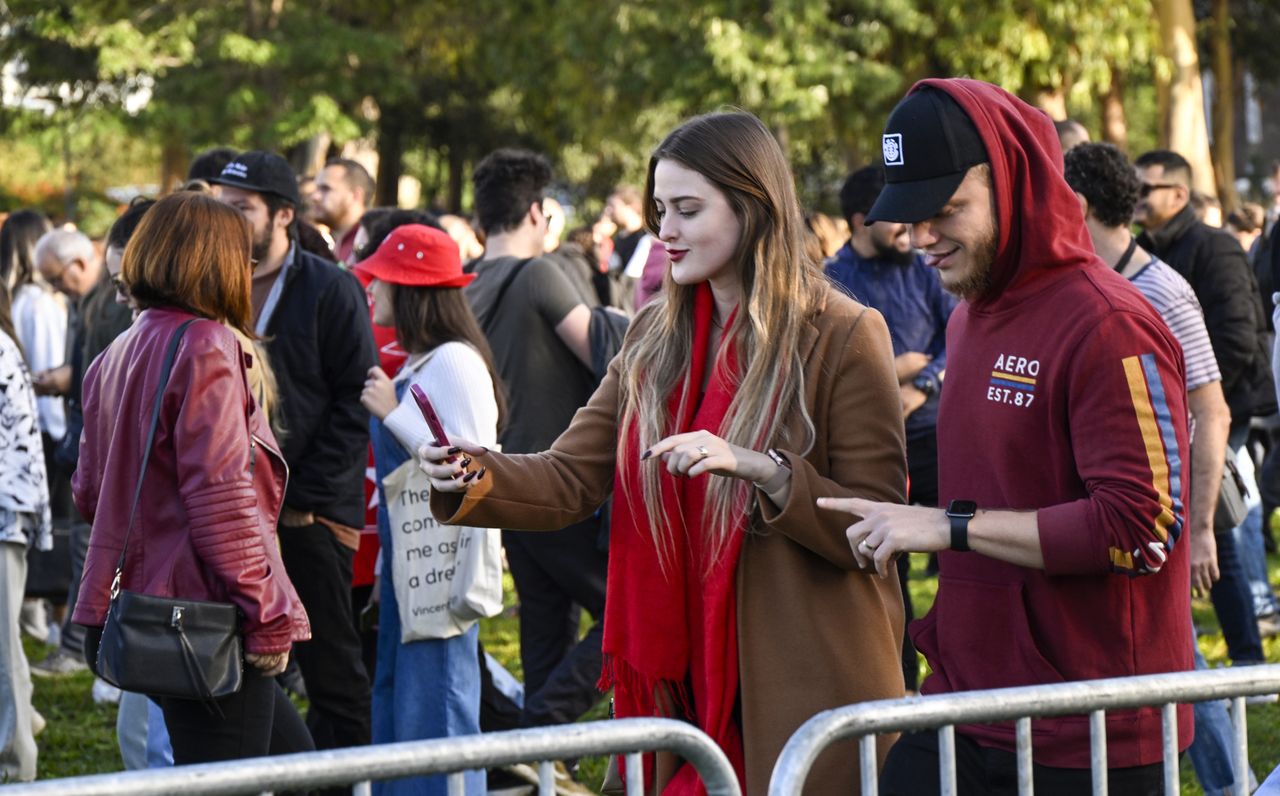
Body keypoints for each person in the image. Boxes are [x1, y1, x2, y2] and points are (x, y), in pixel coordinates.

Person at [424, 111, 907, 795]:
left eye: (686, 209)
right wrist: (467, 470)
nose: (665, 231)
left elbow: (877, 524)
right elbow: (570, 476)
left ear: (753, 206)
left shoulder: (844, 333)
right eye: (658, 210)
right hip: (679, 684)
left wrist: (761, 469)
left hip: (799, 682)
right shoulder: (654, 332)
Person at [821, 79, 1192, 794]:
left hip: (1088, 730)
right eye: (910, 216)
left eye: (947, 210)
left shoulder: (1108, 322)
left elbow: (1143, 530)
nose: (922, 236)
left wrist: (950, 527)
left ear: (1014, 180)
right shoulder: (967, 314)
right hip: (968, 702)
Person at [70, 191, 313, 765]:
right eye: (243, 259)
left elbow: (88, 492)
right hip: (204, 615)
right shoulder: (207, 344)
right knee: (238, 777)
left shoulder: (118, 350)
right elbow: (222, 505)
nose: (248, 273)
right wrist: (269, 616)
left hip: (155, 607)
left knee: (305, 766)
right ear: (215, 262)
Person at [1063, 140, 1252, 795]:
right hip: (1110, 513)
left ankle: (1232, 785)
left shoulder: (1162, 291)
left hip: (1159, 519)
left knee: (1183, 662)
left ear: (1078, 204)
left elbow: (1213, 412)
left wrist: (1198, 527)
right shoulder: (1084, 287)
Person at [211, 151, 377, 754]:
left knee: (334, 673)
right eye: (220, 207)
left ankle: (343, 782)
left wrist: (300, 503)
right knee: (247, 667)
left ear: (282, 215)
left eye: (241, 209)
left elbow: (354, 401)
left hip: (309, 515)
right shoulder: (209, 281)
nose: (226, 220)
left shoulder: (330, 286)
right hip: (233, 511)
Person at [463, 149, 606, 739]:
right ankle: (547, 725)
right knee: (628, 613)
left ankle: (537, 755)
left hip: (504, 481)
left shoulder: (466, 284)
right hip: (559, 477)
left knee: (546, 626)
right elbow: (598, 350)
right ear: (537, 212)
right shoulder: (539, 274)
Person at [356, 224, 503, 796]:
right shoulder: (426, 361)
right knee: (400, 698)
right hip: (408, 566)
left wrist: (393, 413)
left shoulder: (455, 362)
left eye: (381, 278)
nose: (370, 288)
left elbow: (477, 472)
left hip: (440, 566)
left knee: (436, 705)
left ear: (411, 287)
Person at [1135, 149, 1280, 658]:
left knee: (1218, 528)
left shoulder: (1214, 248)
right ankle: (1200, 653)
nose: (1136, 196)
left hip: (1222, 412)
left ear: (1178, 194)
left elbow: (1240, 339)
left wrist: (1194, 404)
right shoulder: (1140, 250)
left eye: (1146, 187)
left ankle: (1246, 661)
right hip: (1171, 417)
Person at [826, 164, 958, 693]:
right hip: (874, 450)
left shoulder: (927, 268)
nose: (910, 227)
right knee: (885, 569)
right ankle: (898, 691)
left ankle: (957, 679)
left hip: (936, 436)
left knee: (963, 558)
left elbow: (958, 338)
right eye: (895, 217)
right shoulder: (830, 280)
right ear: (862, 220)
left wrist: (921, 381)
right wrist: (890, 371)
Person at [30, 228, 133, 679]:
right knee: (85, 553)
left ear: (78, 264)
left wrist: (63, 381)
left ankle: (83, 650)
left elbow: (110, 370)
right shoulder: (89, 301)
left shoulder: (111, 302)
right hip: (92, 445)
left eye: (56, 279)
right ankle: (83, 648)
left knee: (93, 554)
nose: (54, 289)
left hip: (108, 449)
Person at [0, 277, 51, 782]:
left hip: (3, 516)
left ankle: (15, 767)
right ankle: (23, 723)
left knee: (0, 647)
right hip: (9, 511)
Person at [311, 158, 375, 265]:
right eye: (317, 188)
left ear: (355, 195)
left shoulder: (372, 245)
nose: (315, 197)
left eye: (326, 189)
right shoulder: (335, 242)